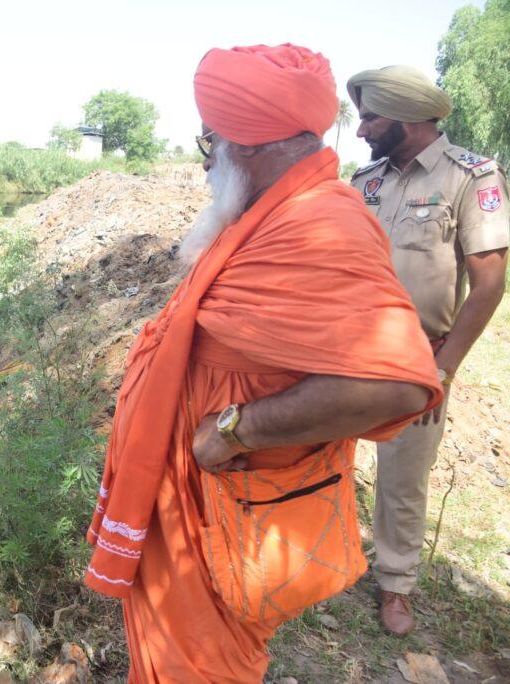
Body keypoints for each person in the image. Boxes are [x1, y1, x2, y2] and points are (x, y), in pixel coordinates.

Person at [84, 43, 444, 683]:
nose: (207, 161)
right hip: (196, 509)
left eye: (210, 142)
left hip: (228, 511)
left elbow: (396, 384)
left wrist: (234, 429)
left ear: (247, 145)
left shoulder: (321, 224)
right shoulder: (269, 211)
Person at [347, 65, 509, 635]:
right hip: (348, 348)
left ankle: (396, 582)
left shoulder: (472, 177)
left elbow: (489, 283)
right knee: (324, 453)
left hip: (418, 355)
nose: (361, 128)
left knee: (403, 473)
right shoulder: (364, 181)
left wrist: (443, 368)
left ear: (408, 117)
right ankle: (328, 555)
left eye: (371, 117)